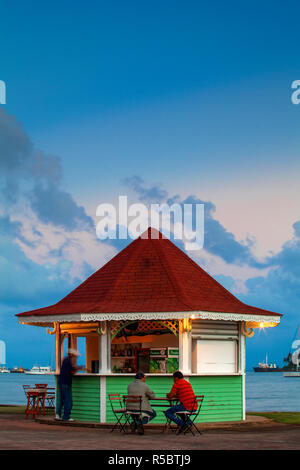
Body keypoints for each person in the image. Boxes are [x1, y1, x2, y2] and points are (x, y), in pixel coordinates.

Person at [56, 348, 83, 421]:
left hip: (61, 382)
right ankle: (66, 416)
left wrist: (76, 368)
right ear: (73, 355)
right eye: (76, 356)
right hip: (66, 382)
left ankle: (58, 414)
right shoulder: (69, 361)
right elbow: (72, 371)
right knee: (68, 400)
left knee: (62, 399)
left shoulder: (65, 359)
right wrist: (79, 368)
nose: (76, 358)